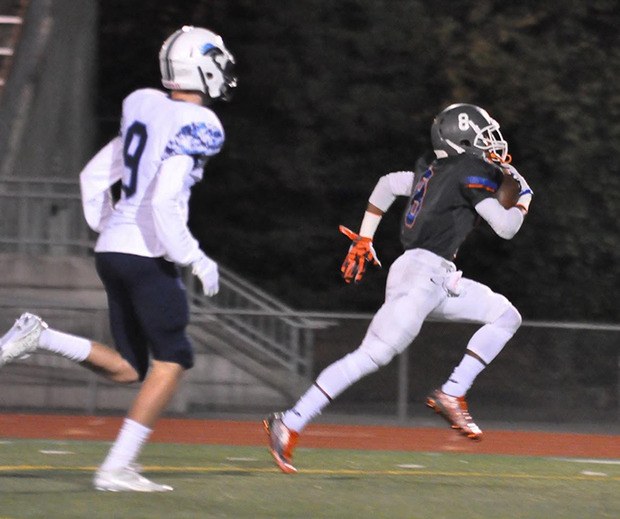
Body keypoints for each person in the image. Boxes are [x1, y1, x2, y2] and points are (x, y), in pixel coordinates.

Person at [0, 25, 236, 491]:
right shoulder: (201, 125)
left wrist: (108, 227)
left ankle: (40, 337)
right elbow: (166, 201)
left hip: (113, 250)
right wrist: (195, 257)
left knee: (130, 368)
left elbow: (93, 177)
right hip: (146, 251)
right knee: (173, 361)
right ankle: (116, 468)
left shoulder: (144, 106)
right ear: (203, 66)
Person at [264, 103, 533, 473]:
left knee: (505, 316)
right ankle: (290, 421)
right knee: (371, 356)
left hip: (435, 275)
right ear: (461, 140)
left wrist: (365, 237)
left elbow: (388, 184)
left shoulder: (435, 170)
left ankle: (453, 391)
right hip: (422, 277)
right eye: (483, 137)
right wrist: (525, 197)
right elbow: (506, 227)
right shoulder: (468, 171)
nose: (493, 145)